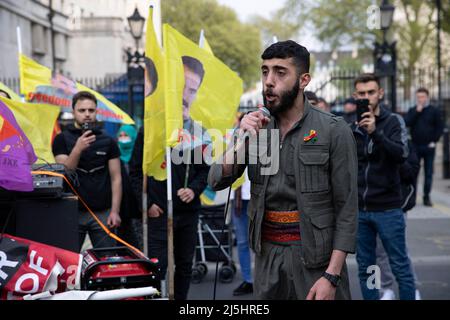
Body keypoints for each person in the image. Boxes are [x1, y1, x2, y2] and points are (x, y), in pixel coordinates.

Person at [208, 40, 358, 300]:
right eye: (265, 71)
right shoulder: (254, 129)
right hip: (268, 261)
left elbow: (347, 209)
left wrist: (332, 276)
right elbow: (216, 181)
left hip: (316, 262)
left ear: (304, 80)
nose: (269, 80)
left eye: (280, 72)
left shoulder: (334, 130)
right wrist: (242, 137)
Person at [128, 56, 210, 300]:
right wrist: (147, 204)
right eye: (181, 88)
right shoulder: (150, 131)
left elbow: (205, 170)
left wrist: (193, 190)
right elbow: (134, 171)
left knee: (184, 265)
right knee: (157, 265)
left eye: (191, 90)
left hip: (187, 211)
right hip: (158, 212)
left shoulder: (197, 132)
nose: (185, 96)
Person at [351, 73, 416, 300]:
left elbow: (401, 154)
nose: (366, 97)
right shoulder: (352, 127)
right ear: (355, 95)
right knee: (367, 268)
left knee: (400, 266)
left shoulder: (393, 121)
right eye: (361, 93)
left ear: (380, 93)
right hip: (360, 210)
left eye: (371, 92)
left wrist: (375, 133)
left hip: (388, 208)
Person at [52, 91, 122, 251]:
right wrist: (78, 149)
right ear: (73, 112)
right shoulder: (61, 139)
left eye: (91, 110)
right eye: (82, 110)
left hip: (102, 213)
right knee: (69, 261)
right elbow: (65, 173)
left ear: (97, 111)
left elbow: (116, 178)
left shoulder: (108, 140)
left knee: (106, 261)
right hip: (71, 211)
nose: (87, 115)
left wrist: (115, 211)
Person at [376, 140, 421, 300]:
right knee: (378, 252)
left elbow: (411, 172)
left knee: (400, 252)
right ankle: (385, 289)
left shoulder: (406, 144)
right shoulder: (370, 141)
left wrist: (393, 156)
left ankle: (412, 287)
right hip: (374, 206)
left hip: (397, 206)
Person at [404, 87, 444, 207]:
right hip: (415, 146)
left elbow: (440, 127)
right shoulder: (412, 110)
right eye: (418, 97)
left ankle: (427, 197)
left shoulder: (434, 111)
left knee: (428, 173)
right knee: (413, 173)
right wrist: (417, 111)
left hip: (429, 146)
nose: (420, 99)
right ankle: (413, 196)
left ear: (427, 97)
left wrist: (434, 141)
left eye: (422, 97)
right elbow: (407, 123)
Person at [116, 124, 142, 250]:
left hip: (138, 206)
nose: (123, 138)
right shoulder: (114, 157)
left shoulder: (139, 156)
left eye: (126, 135)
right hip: (121, 207)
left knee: (138, 239)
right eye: (120, 135)